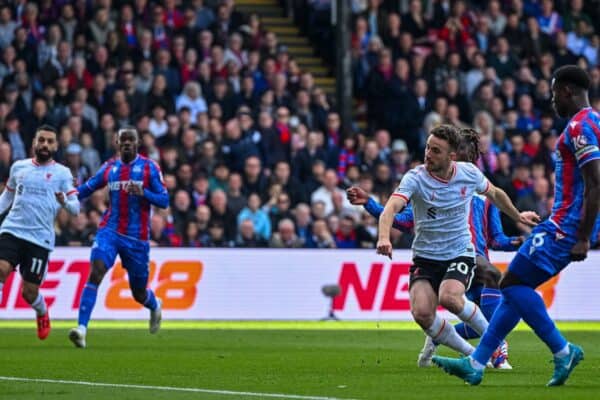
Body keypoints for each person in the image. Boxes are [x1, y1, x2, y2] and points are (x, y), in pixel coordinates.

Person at [432, 65, 599, 386]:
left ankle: (562, 350)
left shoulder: (579, 127)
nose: (552, 101)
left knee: (510, 284)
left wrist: (582, 236)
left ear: (566, 90)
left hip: (565, 226)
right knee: (511, 291)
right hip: (567, 223)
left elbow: (595, 182)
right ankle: (477, 363)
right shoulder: (595, 122)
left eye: (554, 93)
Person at [347, 128, 523, 369]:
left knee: (450, 297)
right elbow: (392, 209)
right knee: (422, 313)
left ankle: (494, 343)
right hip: (426, 258)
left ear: (451, 156)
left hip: (459, 252)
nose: (428, 154)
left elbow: (496, 194)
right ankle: (473, 353)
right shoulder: (415, 178)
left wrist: (518, 217)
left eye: (435, 150)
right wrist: (383, 237)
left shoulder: (469, 175)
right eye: (428, 147)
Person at [69, 127, 169, 348]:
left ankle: (154, 305)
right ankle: (81, 329)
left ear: (137, 143)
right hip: (110, 230)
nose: (126, 143)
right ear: (116, 142)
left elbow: (164, 200)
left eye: (130, 140)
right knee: (95, 271)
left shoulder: (149, 168)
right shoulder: (109, 168)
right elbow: (86, 189)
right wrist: (67, 193)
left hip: (137, 239)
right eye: (122, 140)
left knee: (139, 292)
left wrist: (144, 192)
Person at [0, 125, 79, 340]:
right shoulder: (19, 167)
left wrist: (65, 202)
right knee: (1, 269)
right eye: (41, 140)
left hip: (39, 239)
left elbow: (76, 208)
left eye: (49, 141)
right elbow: (7, 197)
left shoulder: (63, 173)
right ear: (34, 142)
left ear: (56, 146)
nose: (45, 145)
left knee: (29, 292)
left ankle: (42, 312)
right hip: (12, 230)